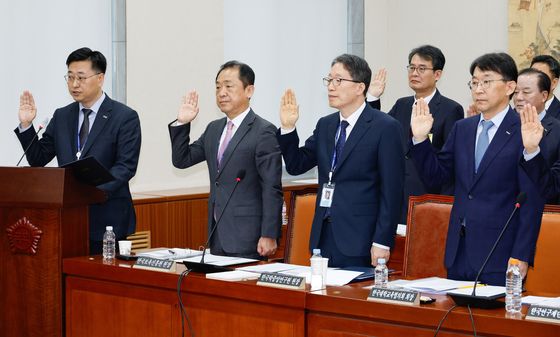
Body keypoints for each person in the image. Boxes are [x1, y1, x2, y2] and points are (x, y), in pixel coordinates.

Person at [409, 52, 544, 286]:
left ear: (510, 86)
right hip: (458, 250)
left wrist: (521, 254)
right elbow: (436, 177)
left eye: (487, 82)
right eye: (474, 82)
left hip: (500, 253)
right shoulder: (463, 128)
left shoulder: (524, 130)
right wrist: (421, 141)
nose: (478, 89)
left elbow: (531, 201)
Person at [277, 54, 404, 268]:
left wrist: (382, 240)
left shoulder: (385, 127)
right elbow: (296, 165)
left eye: (338, 80)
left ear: (359, 87)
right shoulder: (326, 125)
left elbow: (392, 190)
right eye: (329, 80)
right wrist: (288, 128)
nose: (331, 87)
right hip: (323, 235)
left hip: (361, 238)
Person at [15, 47, 141, 254]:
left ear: (100, 78)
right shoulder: (63, 115)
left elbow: (125, 167)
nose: (74, 84)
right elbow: (38, 158)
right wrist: (27, 125)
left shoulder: (124, 117)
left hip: (108, 221)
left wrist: (89, 192)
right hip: (67, 219)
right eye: (70, 77)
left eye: (81, 78)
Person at [168, 61, 282, 259]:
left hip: (249, 236)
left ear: (249, 90)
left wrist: (269, 234)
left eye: (229, 86)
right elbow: (182, 160)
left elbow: (271, 186)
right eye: (218, 87)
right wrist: (182, 123)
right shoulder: (214, 129)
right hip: (217, 232)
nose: (221, 93)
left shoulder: (263, 131)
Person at [372, 45, 464, 223]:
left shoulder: (450, 109)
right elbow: (377, 131)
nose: (414, 73)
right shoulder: (402, 104)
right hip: (396, 194)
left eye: (422, 69)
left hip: (426, 199)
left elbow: (450, 163)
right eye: (411, 68)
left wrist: (442, 206)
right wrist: (373, 99)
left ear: (437, 75)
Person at [514, 68, 560, 204]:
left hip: (541, 211)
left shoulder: (557, 130)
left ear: (544, 96)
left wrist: (532, 151)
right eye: (516, 92)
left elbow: (554, 186)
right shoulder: (502, 126)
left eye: (526, 92)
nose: (519, 97)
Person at [530, 55, 560, 119]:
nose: (533, 80)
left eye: (540, 76)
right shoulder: (517, 111)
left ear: (554, 83)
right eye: (531, 74)